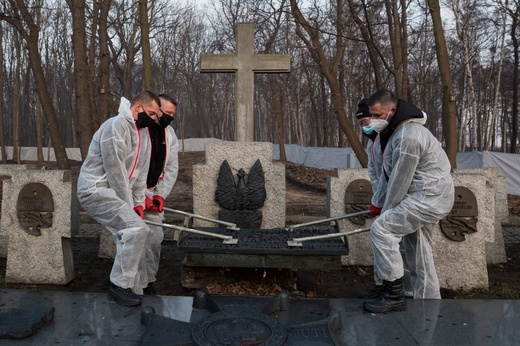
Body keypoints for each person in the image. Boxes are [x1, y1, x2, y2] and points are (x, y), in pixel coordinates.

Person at [362, 89, 454, 313]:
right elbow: (386, 175)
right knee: (417, 247)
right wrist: (379, 201)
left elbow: (399, 180)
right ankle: (425, 297)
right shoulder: (395, 132)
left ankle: (393, 294)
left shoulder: (408, 136)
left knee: (382, 230)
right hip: (422, 196)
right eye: (371, 115)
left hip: (428, 197)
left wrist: (384, 210)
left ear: (392, 110)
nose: (373, 120)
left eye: (377, 115)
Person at [77, 90, 162, 307]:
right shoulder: (114, 126)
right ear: (139, 107)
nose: (154, 119)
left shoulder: (142, 133)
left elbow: (140, 173)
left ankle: (136, 286)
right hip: (95, 190)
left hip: (114, 194)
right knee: (136, 229)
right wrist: (129, 204)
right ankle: (118, 286)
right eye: (152, 114)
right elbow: (115, 172)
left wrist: (140, 203)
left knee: (135, 233)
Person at [140, 94, 180, 295]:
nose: (170, 117)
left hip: (154, 191)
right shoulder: (140, 129)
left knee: (154, 239)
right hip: (133, 193)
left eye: (173, 114)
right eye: (167, 112)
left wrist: (160, 195)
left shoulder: (170, 134)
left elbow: (171, 168)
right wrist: (140, 196)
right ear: (157, 108)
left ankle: (148, 282)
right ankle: (130, 282)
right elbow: (131, 168)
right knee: (134, 238)